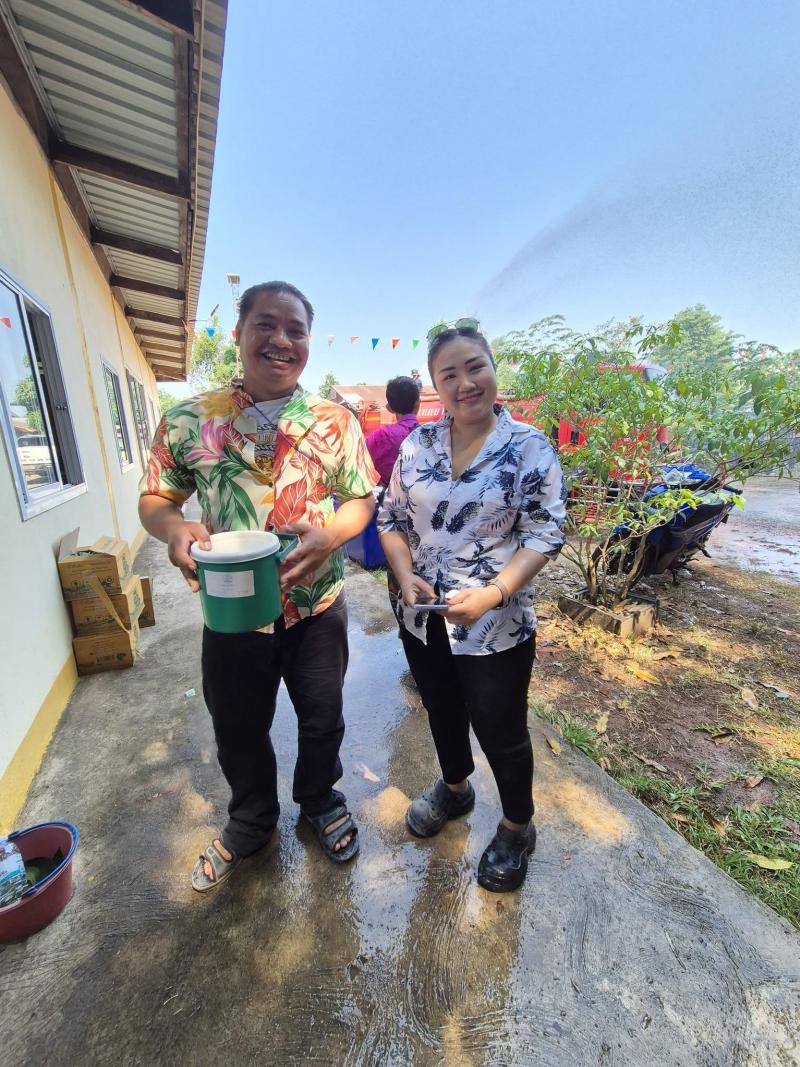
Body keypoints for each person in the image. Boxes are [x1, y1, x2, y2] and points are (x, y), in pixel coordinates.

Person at [139, 281, 379, 891]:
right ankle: (251, 817)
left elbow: (360, 499)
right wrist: (173, 527)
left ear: (309, 342)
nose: (281, 340)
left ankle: (319, 798)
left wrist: (333, 535)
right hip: (234, 609)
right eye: (266, 325)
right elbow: (156, 498)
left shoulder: (335, 420)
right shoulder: (190, 419)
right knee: (237, 725)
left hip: (316, 604)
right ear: (239, 333)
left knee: (323, 718)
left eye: (296, 330)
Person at [377, 319, 566, 893]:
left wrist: (493, 593)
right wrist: (404, 575)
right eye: (449, 375)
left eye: (474, 367)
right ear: (435, 386)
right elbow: (390, 518)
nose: (465, 384)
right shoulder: (417, 445)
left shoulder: (529, 447)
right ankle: (456, 789)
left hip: (496, 625)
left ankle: (517, 826)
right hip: (423, 617)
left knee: (501, 727)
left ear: (492, 368)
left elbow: (546, 531)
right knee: (441, 709)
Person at [365, 375, 421, 487]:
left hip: (388, 495)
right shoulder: (433, 435)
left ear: (390, 408)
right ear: (418, 403)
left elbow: (359, 458)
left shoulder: (381, 436)